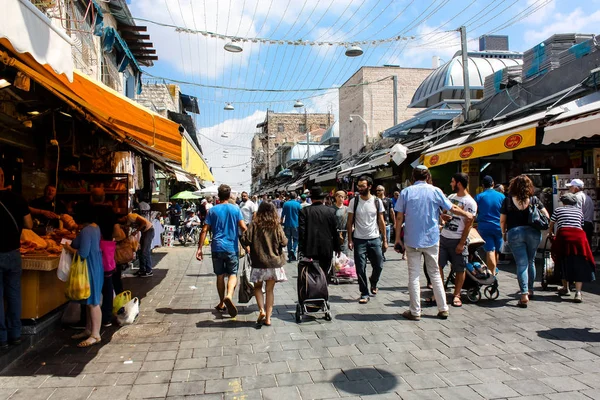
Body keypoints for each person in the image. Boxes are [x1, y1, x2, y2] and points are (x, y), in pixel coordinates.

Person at [394, 166, 473, 321]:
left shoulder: (406, 192)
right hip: (431, 239)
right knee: (435, 273)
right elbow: (452, 207)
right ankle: (443, 308)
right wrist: (466, 214)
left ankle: (415, 311)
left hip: (412, 239)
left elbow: (398, 218)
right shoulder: (436, 191)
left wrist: (398, 239)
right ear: (428, 176)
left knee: (414, 275)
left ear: (413, 177)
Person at [196, 185, 247, 318]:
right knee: (232, 274)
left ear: (218, 196)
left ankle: (221, 302)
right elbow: (243, 227)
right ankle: (229, 296)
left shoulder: (212, 210)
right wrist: (250, 243)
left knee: (219, 275)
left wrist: (200, 249)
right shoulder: (235, 209)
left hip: (217, 247)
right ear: (229, 195)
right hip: (231, 247)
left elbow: (204, 230)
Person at [500, 175, 549, 308]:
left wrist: (504, 234)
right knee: (531, 261)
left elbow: (503, 220)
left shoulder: (508, 201)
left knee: (521, 264)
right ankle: (531, 289)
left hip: (515, 233)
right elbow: (546, 216)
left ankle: (524, 294)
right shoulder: (534, 200)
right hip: (533, 232)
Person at [240, 202, 288, 326]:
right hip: (273, 263)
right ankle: (268, 319)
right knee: (270, 290)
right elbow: (284, 242)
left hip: (258, 263)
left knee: (257, 288)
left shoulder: (254, 224)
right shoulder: (276, 225)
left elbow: (245, 239)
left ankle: (261, 310)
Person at [0, 167, 32, 349]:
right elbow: (28, 224)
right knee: (13, 294)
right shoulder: (17, 199)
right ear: (3, 178)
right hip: (13, 252)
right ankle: (15, 334)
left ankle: (2, 338)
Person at [64, 203, 103, 347]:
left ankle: (95, 334)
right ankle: (89, 330)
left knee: (93, 302)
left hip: (89, 268)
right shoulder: (95, 228)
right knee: (89, 301)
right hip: (95, 266)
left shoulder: (86, 231)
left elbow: (83, 253)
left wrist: (68, 248)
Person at [438, 173, 477, 308]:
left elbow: (469, 224)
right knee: (438, 266)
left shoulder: (470, 202)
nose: (451, 184)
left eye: (452, 181)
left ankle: (457, 295)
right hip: (444, 237)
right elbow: (444, 213)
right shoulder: (450, 197)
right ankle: (440, 292)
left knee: (460, 268)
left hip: (457, 239)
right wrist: (443, 217)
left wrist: (461, 243)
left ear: (459, 184)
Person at [347, 176, 387, 304]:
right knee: (360, 268)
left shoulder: (377, 201)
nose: (360, 188)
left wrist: (385, 239)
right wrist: (350, 239)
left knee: (379, 265)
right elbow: (349, 222)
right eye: (359, 186)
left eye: (363, 186)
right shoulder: (354, 201)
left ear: (370, 186)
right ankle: (364, 292)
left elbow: (381, 221)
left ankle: (373, 281)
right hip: (359, 240)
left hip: (375, 238)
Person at [549, 193, 595, 302]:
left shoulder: (558, 210)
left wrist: (550, 233)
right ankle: (578, 293)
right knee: (579, 263)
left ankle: (566, 288)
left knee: (563, 260)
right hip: (579, 239)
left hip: (565, 237)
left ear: (563, 202)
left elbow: (551, 223)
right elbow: (580, 224)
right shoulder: (579, 211)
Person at [90, 188, 124, 327]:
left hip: (91, 250)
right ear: (103, 198)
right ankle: (107, 317)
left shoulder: (88, 211)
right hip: (107, 251)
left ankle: (89, 318)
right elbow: (118, 233)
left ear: (91, 198)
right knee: (107, 282)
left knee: (91, 283)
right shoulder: (110, 212)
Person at [299, 186, 341, 276]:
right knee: (324, 273)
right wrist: (337, 247)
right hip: (326, 248)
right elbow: (335, 231)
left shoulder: (304, 211)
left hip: (309, 248)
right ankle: (323, 287)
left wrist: (301, 249)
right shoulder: (330, 211)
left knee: (312, 274)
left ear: (311, 199)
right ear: (323, 199)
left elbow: (302, 232)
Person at [475, 176, 505, 276]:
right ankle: (494, 271)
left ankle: (491, 273)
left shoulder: (479, 197)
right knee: (496, 250)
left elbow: (474, 212)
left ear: (483, 185)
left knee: (490, 250)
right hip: (499, 226)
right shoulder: (501, 197)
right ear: (493, 184)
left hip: (485, 227)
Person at [121, 212, 154, 277]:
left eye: (120, 219)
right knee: (140, 251)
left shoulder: (131, 216)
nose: (121, 220)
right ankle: (142, 270)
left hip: (149, 231)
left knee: (145, 251)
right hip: (145, 232)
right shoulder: (128, 221)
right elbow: (127, 227)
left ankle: (149, 270)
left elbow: (143, 223)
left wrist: (136, 231)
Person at [566, 179, 594, 244]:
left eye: (571, 187)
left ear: (576, 188)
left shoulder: (576, 197)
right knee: (586, 246)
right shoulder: (588, 197)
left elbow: (576, 212)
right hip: (589, 224)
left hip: (581, 225)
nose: (569, 189)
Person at [376, 186, 395, 262]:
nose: (378, 192)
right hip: (376, 225)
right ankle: (379, 256)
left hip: (386, 224)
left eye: (379, 190)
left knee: (386, 242)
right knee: (377, 243)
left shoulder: (388, 200)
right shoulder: (374, 200)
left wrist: (395, 223)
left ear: (383, 191)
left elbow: (391, 212)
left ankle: (382, 253)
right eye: (377, 190)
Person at [281, 192, 302, 261]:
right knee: (296, 239)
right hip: (296, 224)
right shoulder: (298, 204)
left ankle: (290, 254)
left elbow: (282, 215)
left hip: (287, 224)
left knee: (288, 239)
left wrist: (281, 222)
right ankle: (293, 249)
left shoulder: (286, 204)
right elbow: (301, 215)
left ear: (289, 196)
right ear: (296, 197)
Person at [331, 191, 349, 255]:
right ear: (335, 197)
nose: (341, 198)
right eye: (339, 196)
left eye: (342, 197)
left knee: (344, 256)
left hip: (344, 234)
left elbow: (350, 221)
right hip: (333, 235)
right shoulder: (331, 209)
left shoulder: (347, 209)